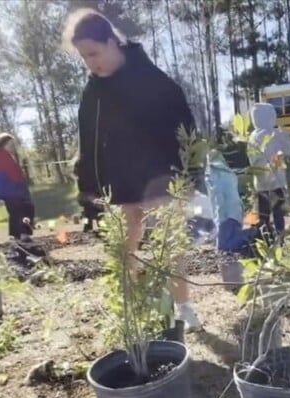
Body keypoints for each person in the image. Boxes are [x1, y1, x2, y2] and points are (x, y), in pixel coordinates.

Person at [66, 8, 202, 331]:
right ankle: (134, 303)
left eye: (94, 53)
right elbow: (88, 141)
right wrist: (87, 187)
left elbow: (186, 126)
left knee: (169, 237)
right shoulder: (93, 92)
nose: (91, 63)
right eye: (84, 58)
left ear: (112, 42)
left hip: (160, 174)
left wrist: (190, 172)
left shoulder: (152, 79)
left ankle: (183, 308)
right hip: (122, 176)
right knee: (130, 235)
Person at [248, 102, 290, 236]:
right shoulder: (274, 134)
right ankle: (279, 236)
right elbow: (288, 149)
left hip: (261, 182)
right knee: (278, 211)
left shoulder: (252, 137)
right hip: (276, 180)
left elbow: (252, 160)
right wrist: (286, 136)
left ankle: (265, 237)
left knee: (264, 213)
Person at [206, 150, 257, 255]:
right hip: (235, 212)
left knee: (223, 246)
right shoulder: (228, 173)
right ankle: (251, 234)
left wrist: (219, 216)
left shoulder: (213, 175)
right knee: (228, 241)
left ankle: (252, 234)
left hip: (225, 215)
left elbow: (218, 198)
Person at [0, 133, 34, 241]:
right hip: (12, 189)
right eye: (10, 144)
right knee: (22, 210)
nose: (12, 146)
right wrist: (21, 183)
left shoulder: (0, 155)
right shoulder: (3, 156)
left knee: (16, 212)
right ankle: (22, 234)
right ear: (4, 144)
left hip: (9, 190)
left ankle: (16, 235)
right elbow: (12, 173)